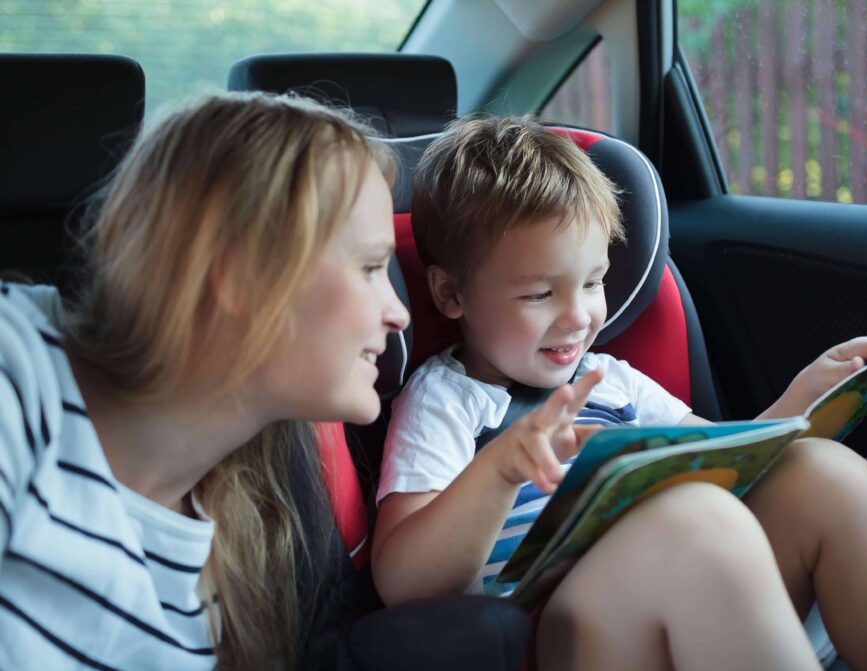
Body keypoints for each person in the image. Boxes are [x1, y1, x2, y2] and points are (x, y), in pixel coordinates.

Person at [372, 116, 867, 670]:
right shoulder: (445, 401)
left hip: (681, 599)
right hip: (551, 637)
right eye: (538, 295)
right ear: (451, 295)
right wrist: (502, 469)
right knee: (695, 518)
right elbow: (403, 582)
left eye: (594, 281)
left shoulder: (615, 382)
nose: (579, 316)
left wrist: (810, 391)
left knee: (823, 471)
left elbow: (729, 462)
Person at [0, 92, 529, 671]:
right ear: (240, 276)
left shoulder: (235, 550)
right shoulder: (18, 366)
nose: (398, 313)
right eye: (371, 268)